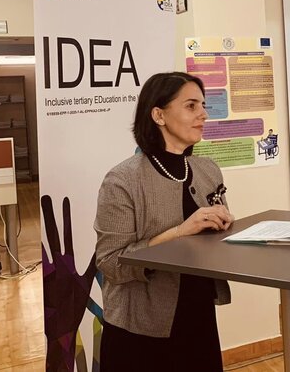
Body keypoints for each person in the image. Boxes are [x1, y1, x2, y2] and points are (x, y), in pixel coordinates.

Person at [94, 72, 234, 371]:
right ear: (158, 115)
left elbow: (214, 240)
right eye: (191, 106)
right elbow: (110, 263)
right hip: (141, 327)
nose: (203, 114)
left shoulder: (208, 169)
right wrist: (181, 231)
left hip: (197, 314)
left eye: (203, 105)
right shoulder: (122, 180)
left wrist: (224, 227)